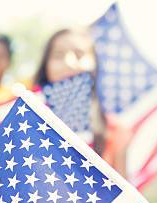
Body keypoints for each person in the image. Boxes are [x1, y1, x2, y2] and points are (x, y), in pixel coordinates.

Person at [33, 28, 108, 158]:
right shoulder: (27, 120)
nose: (69, 63)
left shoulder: (114, 131)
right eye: (58, 55)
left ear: (95, 63)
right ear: (45, 66)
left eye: (79, 54)